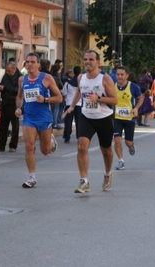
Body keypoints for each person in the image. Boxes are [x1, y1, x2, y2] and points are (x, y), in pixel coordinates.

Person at [63, 50, 117, 193]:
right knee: (81, 147)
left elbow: (114, 100)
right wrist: (72, 107)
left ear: (97, 62)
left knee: (106, 150)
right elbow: (79, 92)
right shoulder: (81, 77)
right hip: (86, 116)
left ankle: (107, 174)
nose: (87, 61)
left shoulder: (105, 79)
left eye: (91, 59)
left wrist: (98, 99)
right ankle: (84, 181)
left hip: (104, 117)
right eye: (86, 59)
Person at [15, 53, 62, 188]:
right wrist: (19, 108)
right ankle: (31, 177)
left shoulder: (46, 78)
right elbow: (19, 97)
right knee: (29, 146)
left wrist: (45, 99)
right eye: (27, 62)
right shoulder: (21, 80)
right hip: (29, 118)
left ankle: (50, 141)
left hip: (44, 118)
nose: (29, 64)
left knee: (45, 151)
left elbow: (59, 98)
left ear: (38, 65)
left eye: (32, 62)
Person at [113, 66, 143, 171]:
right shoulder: (113, 87)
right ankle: (121, 161)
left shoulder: (133, 87)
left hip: (129, 118)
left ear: (126, 76)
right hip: (117, 118)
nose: (119, 77)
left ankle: (131, 145)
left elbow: (141, 98)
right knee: (117, 140)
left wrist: (136, 108)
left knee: (128, 142)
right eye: (118, 74)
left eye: (122, 74)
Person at [0, 62, 23, 152]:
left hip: (14, 103)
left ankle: (13, 145)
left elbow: (18, 91)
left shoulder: (20, 77)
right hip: (5, 102)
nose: (8, 72)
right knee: (3, 125)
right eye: (7, 70)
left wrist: (5, 88)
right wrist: (0, 87)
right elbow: (3, 84)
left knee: (15, 126)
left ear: (14, 69)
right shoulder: (6, 76)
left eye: (9, 71)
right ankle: (1, 145)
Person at [62, 66, 82, 143]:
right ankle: (79, 137)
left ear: (73, 72)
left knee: (68, 121)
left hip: (69, 104)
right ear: (80, 72)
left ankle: (67, 137)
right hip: (79, 104)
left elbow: (64, 92)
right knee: (79, 121)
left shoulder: (68, 82)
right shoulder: (81, 82)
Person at [50, 63, 64, 129]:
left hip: (52, 93)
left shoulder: (53, 74)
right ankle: (55, 123)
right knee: (56, 108)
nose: (62, 67)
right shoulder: (56, 75)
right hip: (56, 93)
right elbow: (60, 84)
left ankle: (55, 122)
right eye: (61, 66)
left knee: (56, 108)